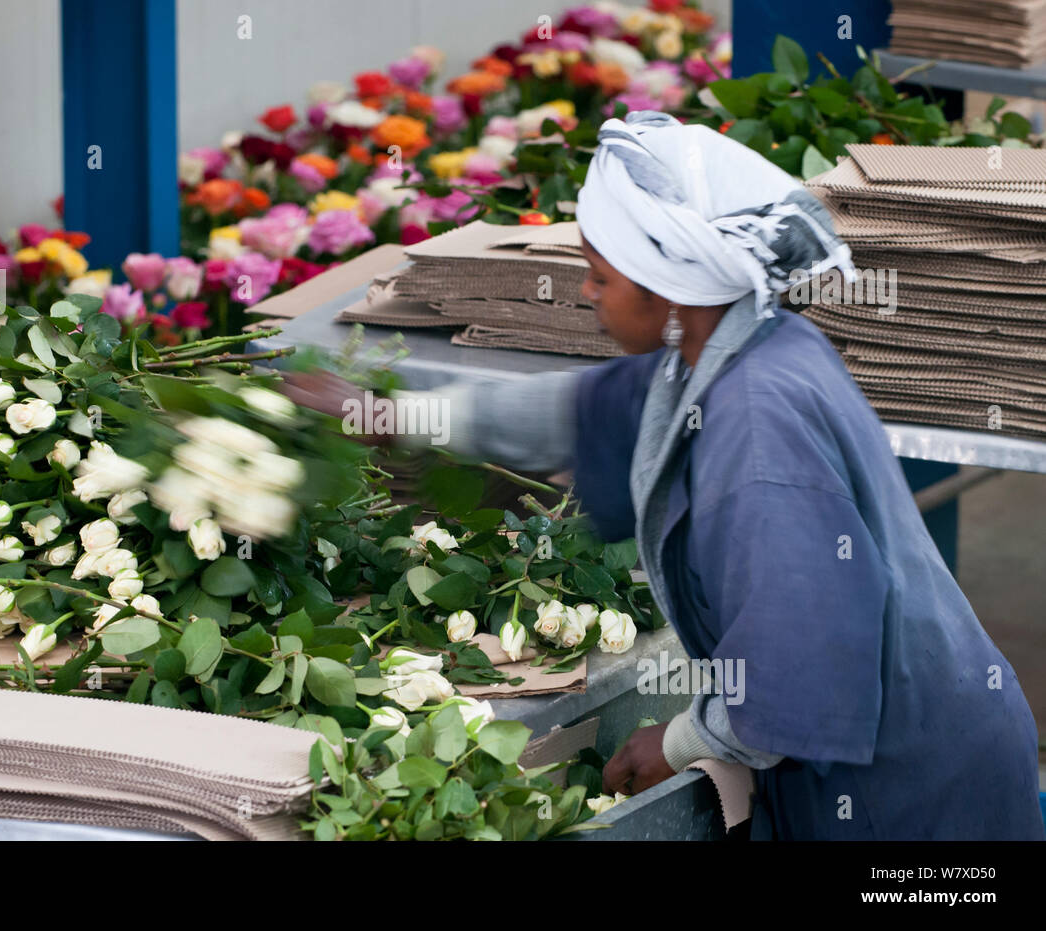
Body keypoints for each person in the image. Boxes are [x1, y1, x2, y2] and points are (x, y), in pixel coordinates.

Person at [283, 112, 1044, 840]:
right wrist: (386, 415)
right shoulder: (728, 351)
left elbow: (802, 662)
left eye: (598, 274)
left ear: (663, 286)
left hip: (911, 796)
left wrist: (679, 740)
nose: (585, 292)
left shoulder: (755, 430)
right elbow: (563, 412)